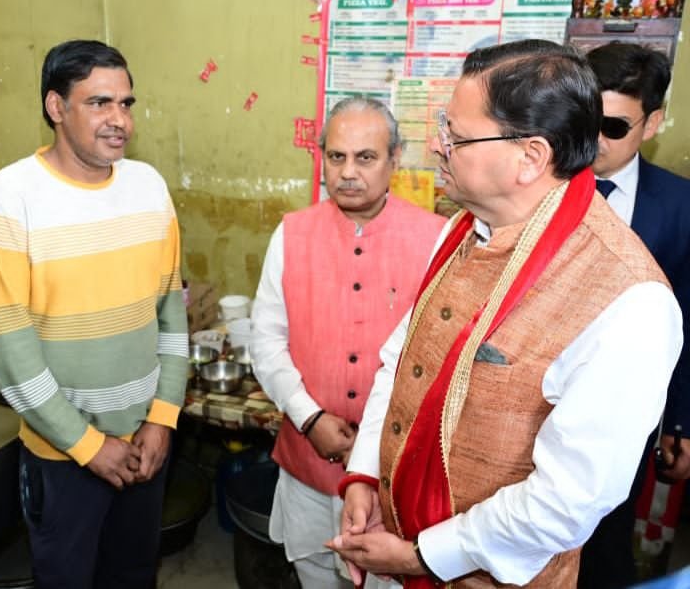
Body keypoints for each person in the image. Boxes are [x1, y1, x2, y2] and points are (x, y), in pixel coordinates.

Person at [327, 39, 683, 588]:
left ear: (531, 158)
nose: (438, 145)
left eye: (456, 135)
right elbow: (402, 363)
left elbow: (563, 502)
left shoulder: (631, 301)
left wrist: (423, 555)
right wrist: (366, 476)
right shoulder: (461, 231)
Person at [0, 39, 188, 589]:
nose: (120, 120)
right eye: (99, 103)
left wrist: (162, 418)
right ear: (56, 106)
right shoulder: (11, 197)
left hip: (144, 448)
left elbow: (171, 315)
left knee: (134, 577)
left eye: (126, 104)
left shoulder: (149, 188)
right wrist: (89, 447)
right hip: (62, 458)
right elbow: (10, 352)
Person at [250, 97, 446, 588]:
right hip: (309, 466)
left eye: (366, 157)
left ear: (395, 159)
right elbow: (266, 341)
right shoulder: (291, 234)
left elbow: (441, 359)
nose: (348, 172)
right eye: (336, 157)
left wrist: (376, 446)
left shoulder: (437, 239)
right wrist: (309, 418)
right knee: (316, 573)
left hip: (394, 476)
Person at [579, 42, 690, 589]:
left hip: (627, 417)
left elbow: (687, 319)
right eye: (586, 120)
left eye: (614, 127)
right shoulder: (535, 187)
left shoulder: (681, 206)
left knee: (603, 547)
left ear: (653, 123)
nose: (594, 139)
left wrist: (681, 424)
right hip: (528, 410)